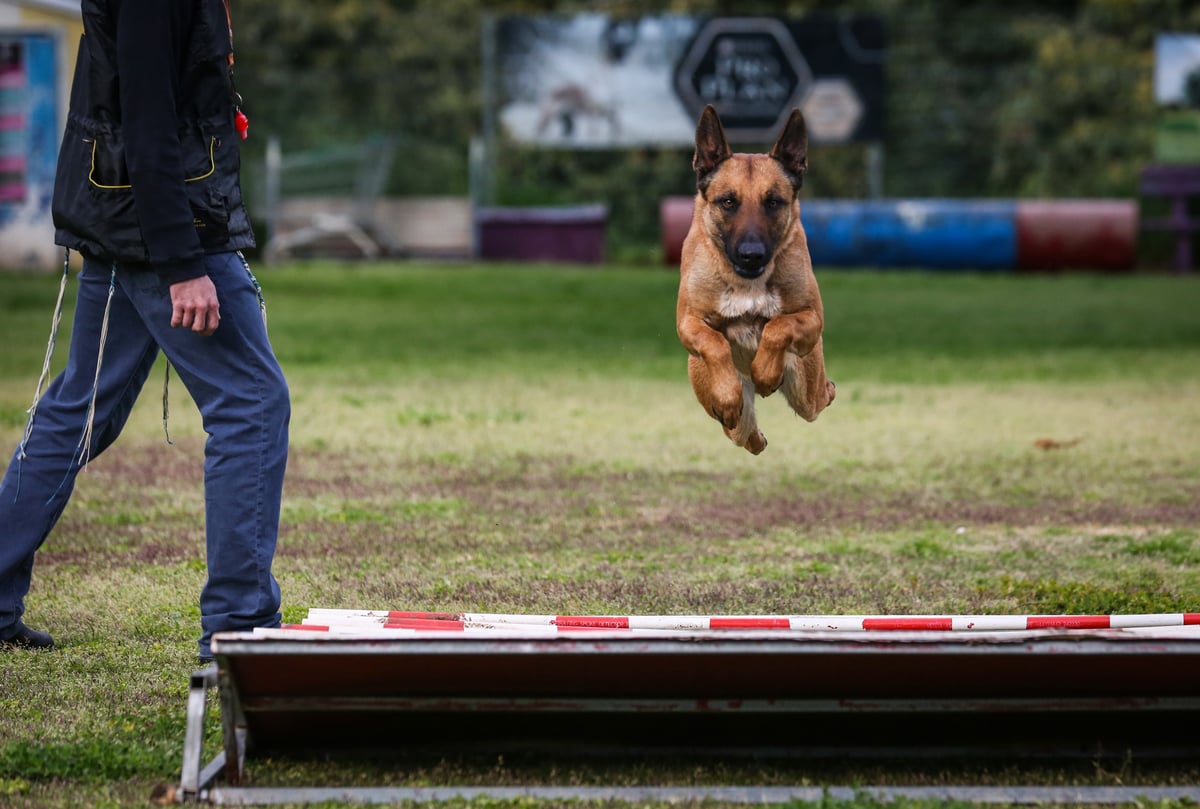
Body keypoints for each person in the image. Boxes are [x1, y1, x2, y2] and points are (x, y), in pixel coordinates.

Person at [0, 0, 289, 663]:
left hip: (127, 220)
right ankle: (239, 625)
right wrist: (183, 264)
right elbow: (148, 124)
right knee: (251, 403)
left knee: (77, 413)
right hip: (163, 228)